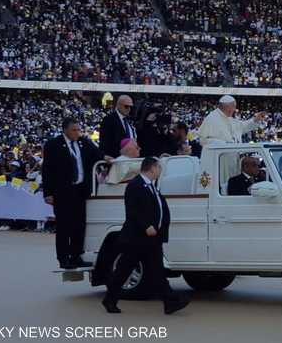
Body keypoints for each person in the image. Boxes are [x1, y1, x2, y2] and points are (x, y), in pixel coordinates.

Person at [102, 157, 189, 315]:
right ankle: (110, 299)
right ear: (152, 168)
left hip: (152, 239)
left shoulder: (151, 186)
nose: (160, 171)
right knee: (124, 269)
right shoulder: (135, 185)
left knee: (157, 270)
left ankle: (170, 302)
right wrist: (146, 225)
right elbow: (132, 211)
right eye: (159, 167)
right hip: (137, 237)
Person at [42, 117, 105, 269]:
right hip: (62, 191)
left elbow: (98, 154)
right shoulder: (53, 145)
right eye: (74, 130)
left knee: (79, 225)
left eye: (78, 130)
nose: (77, 133)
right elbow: (47, 170)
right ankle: (63, 258)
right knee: (64, 226)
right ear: (65, 130)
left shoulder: (84, 142)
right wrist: (48, 193)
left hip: (80, 190)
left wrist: (106, 158)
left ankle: (76, 255)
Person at [197, 95, 265, 146]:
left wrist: (255, 120)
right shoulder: (211, 119)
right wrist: (224, 144)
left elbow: (243, 127)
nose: (234, 109)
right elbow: (203, 140)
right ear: (228, 107)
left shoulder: (229, 119)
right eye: (234, 106)